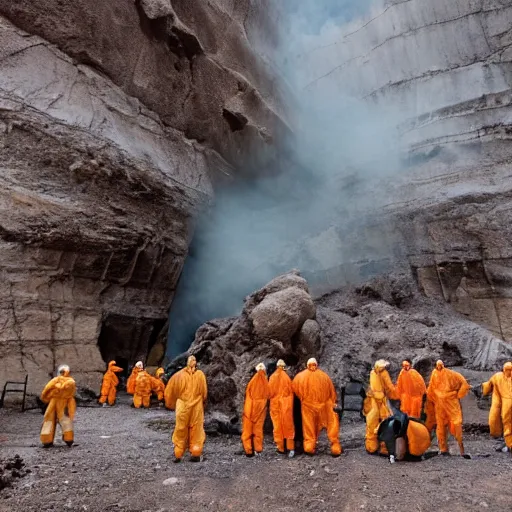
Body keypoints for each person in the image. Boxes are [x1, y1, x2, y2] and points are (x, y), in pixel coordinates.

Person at [292, 358, 342, 457]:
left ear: (307, 365)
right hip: (323, 406)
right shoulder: (324, 376)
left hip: (308, 406)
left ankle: (309, 447)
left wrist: (303, 398)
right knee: (332, 425)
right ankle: (335, 447)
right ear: (316, 364)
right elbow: (332, 393)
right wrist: (332, 403)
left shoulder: (300, 376)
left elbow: (294, 388)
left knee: (309, 427)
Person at [164, 355, 207, 462]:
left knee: (181, 429)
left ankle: (178, 453)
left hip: (182, 406)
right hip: (196, 406)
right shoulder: (200, 375)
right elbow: (204, 393)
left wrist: (171, 405)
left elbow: (169, 393)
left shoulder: (178, 376)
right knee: (196, 429)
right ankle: (195, 452)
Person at [427, 360, 471, 457]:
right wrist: (431, 400)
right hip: (439, 403)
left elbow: (464, 383)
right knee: (441, 425)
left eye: (440, 365)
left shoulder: (451, 374)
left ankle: (460, 448)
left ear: (443, 365)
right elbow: (431, 388)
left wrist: (458, 395)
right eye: (437, 365)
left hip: (451, 402)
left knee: (456, 422)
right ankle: (443, 449)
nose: (439, 367)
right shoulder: (434, 374)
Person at [363, 359, 398, 454]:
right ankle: (372, 446)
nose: (382, 369)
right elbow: (389, 387)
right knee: (372, 422)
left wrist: (396, 393)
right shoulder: (373, 373)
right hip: (374, 399)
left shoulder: (382, 373)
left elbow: (389, 386)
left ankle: (383, 447)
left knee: (384, 421)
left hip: (380, 400)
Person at [40, 365, 76, 448]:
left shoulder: (55, 380)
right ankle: (69, 439)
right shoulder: (71, 382)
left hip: (54, 401)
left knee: (49, 419)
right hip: (64, 402)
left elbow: (46, 389)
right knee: (65, 420)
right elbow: (72, 393)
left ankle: (46, 440)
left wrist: (44, 398)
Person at [480, 361, 512, 453]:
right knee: (505, 421)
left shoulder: (497, 376)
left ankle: (508, 443)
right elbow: (488, 385)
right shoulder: (498, 377)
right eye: (508, 370)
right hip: (504, 401)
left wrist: (482, 390)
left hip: (506, 402)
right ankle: (507, 442)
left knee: (506, 421)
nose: (509, 372)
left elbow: (487, 386)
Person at [241, 363, 270, 457]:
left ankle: (248, 451)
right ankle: (258, 449)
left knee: (247, 431)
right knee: (258, 430)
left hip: (250, 409)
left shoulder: (252, 380)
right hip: (261, 409)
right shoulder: (265, 381)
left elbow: (248, 394)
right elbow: (269, 393)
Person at [269, 359, 295, 457]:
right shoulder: (287, 377)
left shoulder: (272, 377)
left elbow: (269, 393)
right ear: (284, 367)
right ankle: (291, 448)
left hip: (275, 405)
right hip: (286, 405)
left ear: (276, 366)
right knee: (288, 426)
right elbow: (291, 391)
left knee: (277, 426)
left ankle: (280, 448)